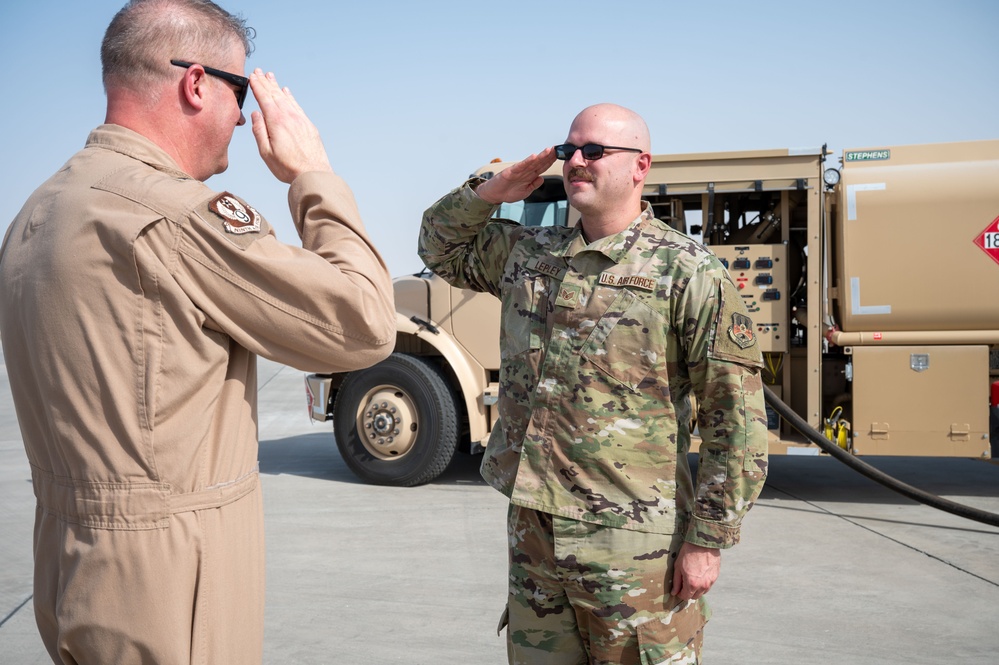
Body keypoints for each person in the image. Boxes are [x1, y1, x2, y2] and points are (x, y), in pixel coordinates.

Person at [0, 1, 395, 663]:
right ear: (196, 84)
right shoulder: (175, 215)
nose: (243, 117)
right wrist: (311, 175)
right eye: (239, 92)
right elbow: (364, 324)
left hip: (68, 563)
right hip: (169, 584)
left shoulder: (40, 210)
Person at [419, 103, 768, 664]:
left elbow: (738, 421)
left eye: (594, 151)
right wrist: (491, 190)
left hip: (633, 541)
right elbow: (439, 247)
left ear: (640, 166)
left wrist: (708, 540)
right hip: (534, 531)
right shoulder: (529, 254)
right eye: (568, 151)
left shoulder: (688, 273)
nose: (576, 162)